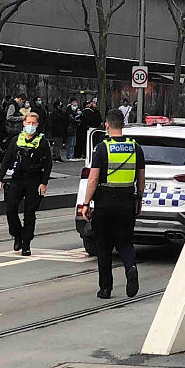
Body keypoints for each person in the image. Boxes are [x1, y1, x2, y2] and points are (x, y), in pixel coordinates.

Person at [81, 108, 144, 299]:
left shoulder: (102, 147)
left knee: (104, 246)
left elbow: (93, 180)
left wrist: (85, 203)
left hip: (105, 202)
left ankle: (106, 288)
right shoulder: (135, 147)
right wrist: (139, 199)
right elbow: (141, 178)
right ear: (122, 125)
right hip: (126, 200)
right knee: (125, 242)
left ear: (106, 125)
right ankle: (130, 267)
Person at [0, 112, 52, 255]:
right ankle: (17, 235)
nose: (31, 126)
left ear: (37, 125)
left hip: (34, 181)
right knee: (10, 210)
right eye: (28, 123)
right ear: (23, 123)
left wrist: (43, 183)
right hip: (17, 179)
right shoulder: (16, 140)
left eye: (34, 123)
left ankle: (26, 244)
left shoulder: (42, 142)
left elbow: (48, 164)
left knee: (29, 213)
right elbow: (7, 160)